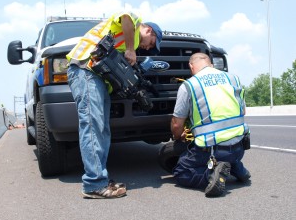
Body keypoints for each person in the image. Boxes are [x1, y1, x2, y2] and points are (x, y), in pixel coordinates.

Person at [66, 11, 162, 199]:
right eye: (151, 43)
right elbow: (126, 17)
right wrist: (130, 49)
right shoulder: (133, 27)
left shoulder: (130, 41)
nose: (148, 48)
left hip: (98, 79)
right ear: (149, 30)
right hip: (86, 69)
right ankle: (94, 184)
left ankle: (101, 179)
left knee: (102, 129)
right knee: (93, 125)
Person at [171, 52, 251, 197]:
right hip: (240, 147)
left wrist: (178, 137)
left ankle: (211, 175)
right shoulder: (233, 79)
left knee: (181, 172)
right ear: (212, 65)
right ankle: (237, 167)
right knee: (229, 151)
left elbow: (177, 125)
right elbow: (243, 110)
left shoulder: (189, 85)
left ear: (191, 66)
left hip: (213, 151)